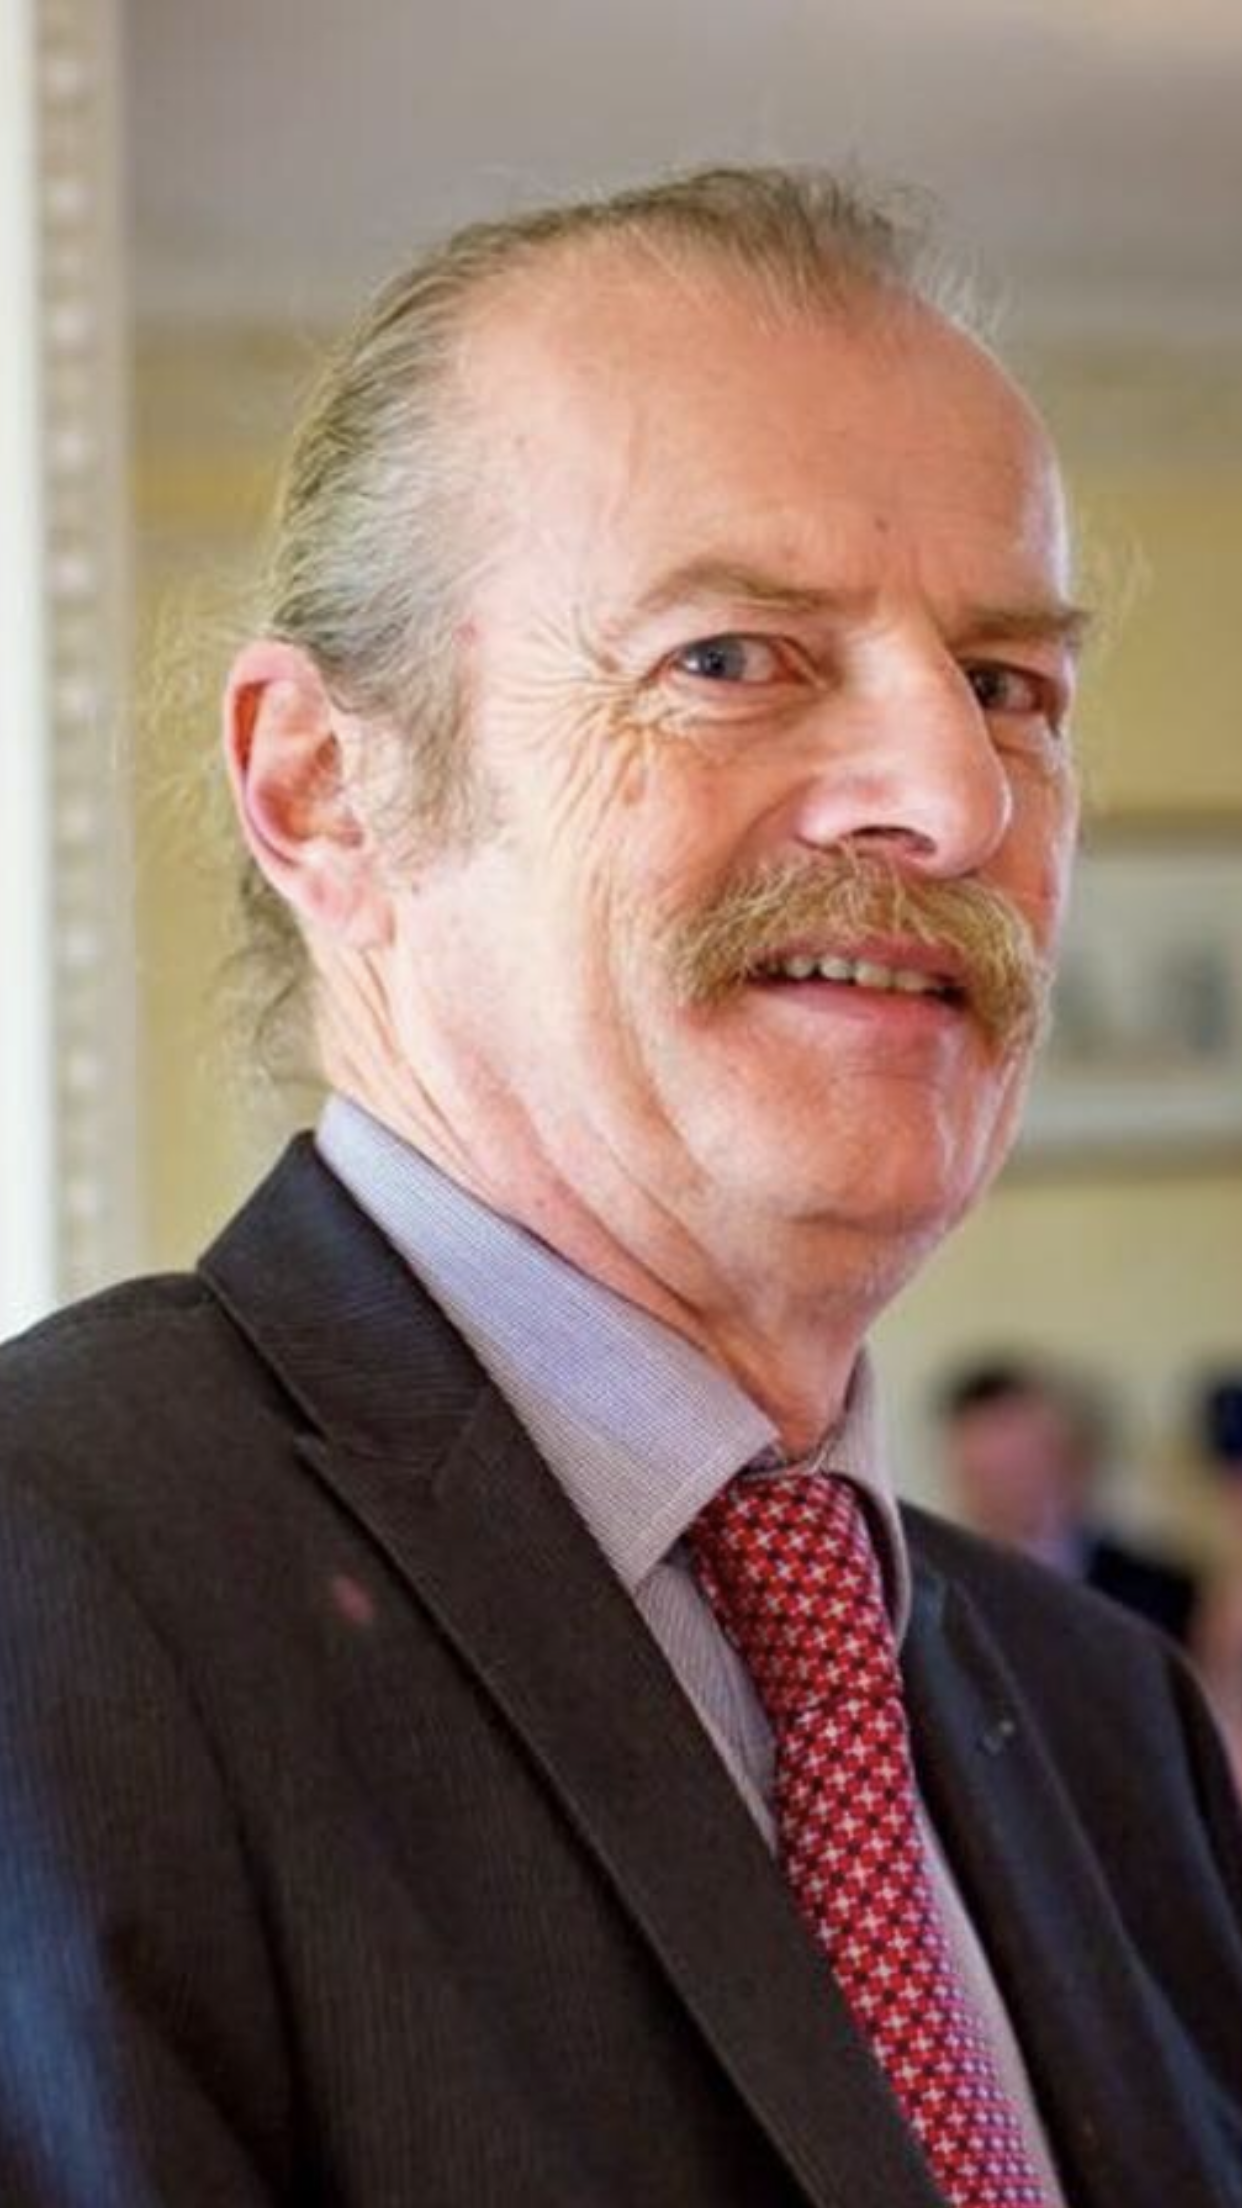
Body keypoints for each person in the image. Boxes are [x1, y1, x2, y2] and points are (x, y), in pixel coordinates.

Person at [1, 167, 1239, 2208]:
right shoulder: (55, 1587)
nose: (952, 798)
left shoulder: (1109, 1723)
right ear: (325, 788)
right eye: (734, 656)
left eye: (1010, 685)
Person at [937, 1357, 1199, 1639]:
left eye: (1025, 1465)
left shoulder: (1165, 1593)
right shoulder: (934, 1601)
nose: (1012, 1493)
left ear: (1076, 1460)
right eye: (988, 1475)